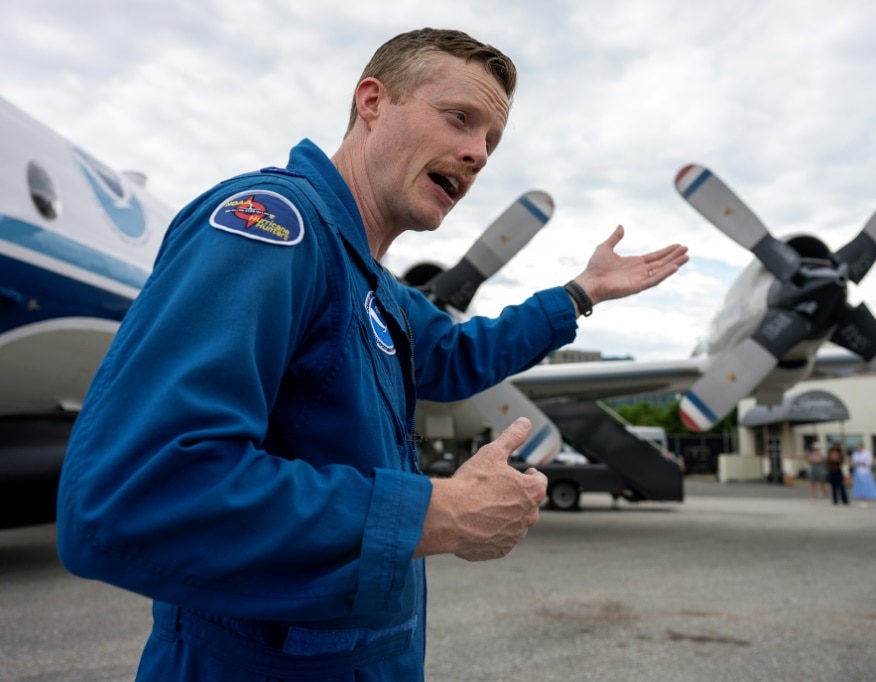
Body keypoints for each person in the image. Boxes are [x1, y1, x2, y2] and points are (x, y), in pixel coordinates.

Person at [54, 28, 691, 681]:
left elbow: (456, 356)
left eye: (490, 142)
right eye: (459, 119)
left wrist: (580, 293)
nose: (476, 153)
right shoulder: (272, 226)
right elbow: (134, 494)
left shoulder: (375, 285)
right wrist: (438, 511)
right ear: (372, 102)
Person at [850, 441, 876, 507]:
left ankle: (866, 498)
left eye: (859, 446)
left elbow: (868, 463)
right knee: (859, 485)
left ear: (862, 446)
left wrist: (860, 463)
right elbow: (853, 462)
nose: (857, 448)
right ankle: (861, 497)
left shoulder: (866, 453)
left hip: (865, 472)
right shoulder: (855, 454)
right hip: (857, 471)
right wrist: (853, 464)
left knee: (866, 485)